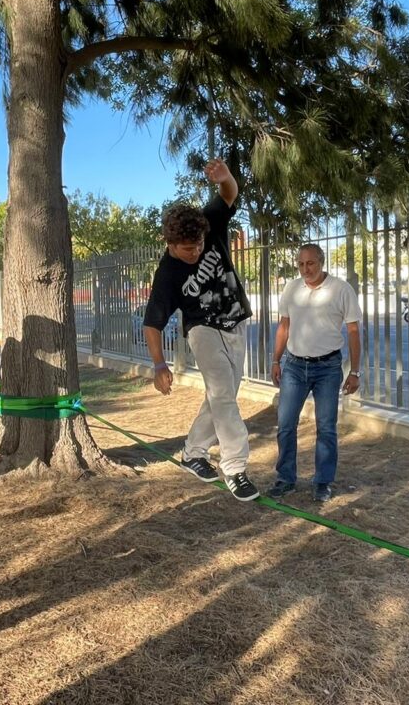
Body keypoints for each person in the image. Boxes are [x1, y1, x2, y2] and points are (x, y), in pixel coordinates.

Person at [143, 159, 258, 501]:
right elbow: (152, 324)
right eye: (186, 249)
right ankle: (235, 467)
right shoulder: (167, 274)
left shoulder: (210, 223)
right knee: (223, 395)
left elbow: (228, 194)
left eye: (198, 246)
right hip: (202, 330)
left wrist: (226, 178)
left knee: (221, 397)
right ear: (171, 243)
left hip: (236, 322)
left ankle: (193, 452)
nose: (194, 253)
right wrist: (159, 365)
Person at [269, 244, 362, 503]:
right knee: (286, 424)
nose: (305, 269)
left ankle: (323, 482)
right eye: (300, 264)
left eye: (310, 263)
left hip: (328, 368)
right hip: (294, 366)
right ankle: (285, 478)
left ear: (321, 261)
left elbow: (353, 331)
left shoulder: (341, 289)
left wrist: (355, 371)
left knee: (326, 427)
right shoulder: (291, 288)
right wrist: (276, 360)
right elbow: (284, 326)